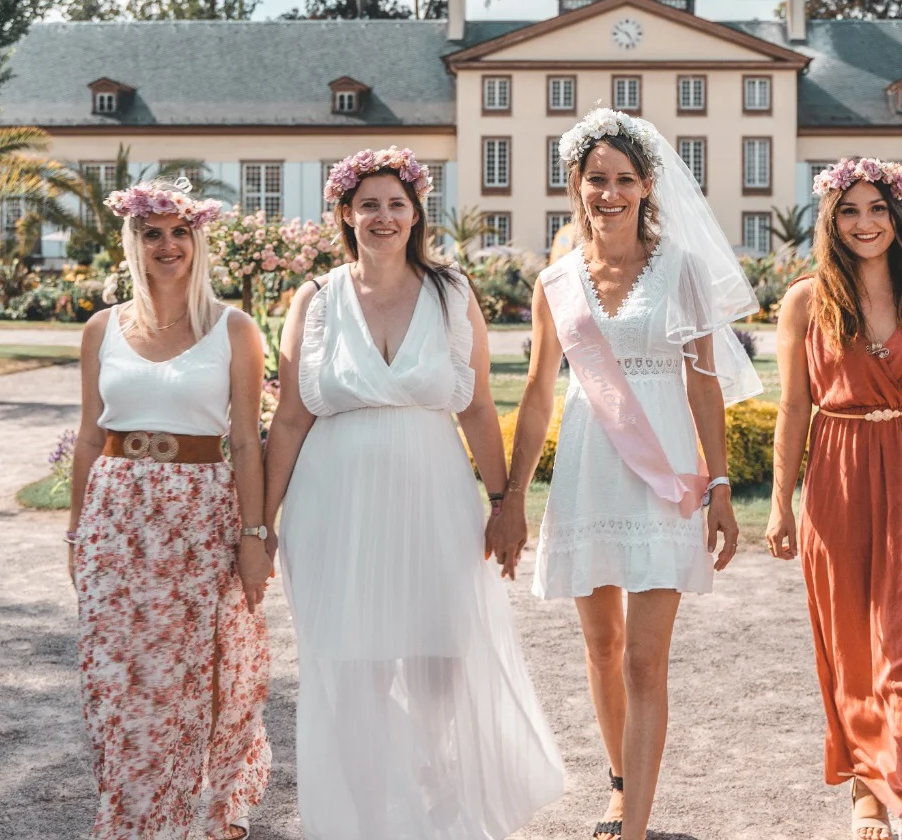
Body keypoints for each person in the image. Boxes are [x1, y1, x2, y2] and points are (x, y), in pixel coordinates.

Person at [261, 146, 563, 839]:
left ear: (416, 211)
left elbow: (479, 408)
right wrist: (262, 525)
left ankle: (441, 815)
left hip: (436, 505)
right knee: (351, 668)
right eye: (368, 204)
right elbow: (289, 419)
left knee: (440, 666)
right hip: (332, 511)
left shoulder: (451, 293)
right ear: (344, 212)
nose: (383, 216)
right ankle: (365, 821)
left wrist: (504, 502)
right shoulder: (315, 299)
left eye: (396, 203)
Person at [492, 109, 760, 840]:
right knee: (602, 648)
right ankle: (619, 785)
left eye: (623, 180)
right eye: (594, 179)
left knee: (645, 660)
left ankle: (634, 826)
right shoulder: (555, 281)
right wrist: (514, 495)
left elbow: (705, 385)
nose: (608, 193)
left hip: (663, 467)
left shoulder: (681, 270)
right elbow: (542, 392)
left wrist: (720, 485)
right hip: (588, 465)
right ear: (574, 186)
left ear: (647, 187)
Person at [766, 158, 902, 839]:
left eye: (878, 209)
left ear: (899, 217)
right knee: (853, 640)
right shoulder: (806, 300)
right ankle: (867, 783)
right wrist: (781, 505)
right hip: (837, 475)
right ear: (831, 223)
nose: (865, 223)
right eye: (850, 211)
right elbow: (793, 407)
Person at [66, 177, 272, 840]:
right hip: (117, 518)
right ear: (133, 242)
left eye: (180, 232)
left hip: (201, 518)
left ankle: (210, 815)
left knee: (204, 674)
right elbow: (91, 435)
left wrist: (253, 534)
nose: (167, 245)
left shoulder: (233, 329)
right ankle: (127, 818)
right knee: (118, 679)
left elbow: (246, 439)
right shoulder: (102, 328)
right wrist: (76, 532)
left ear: (198, 240)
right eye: (152, 233)